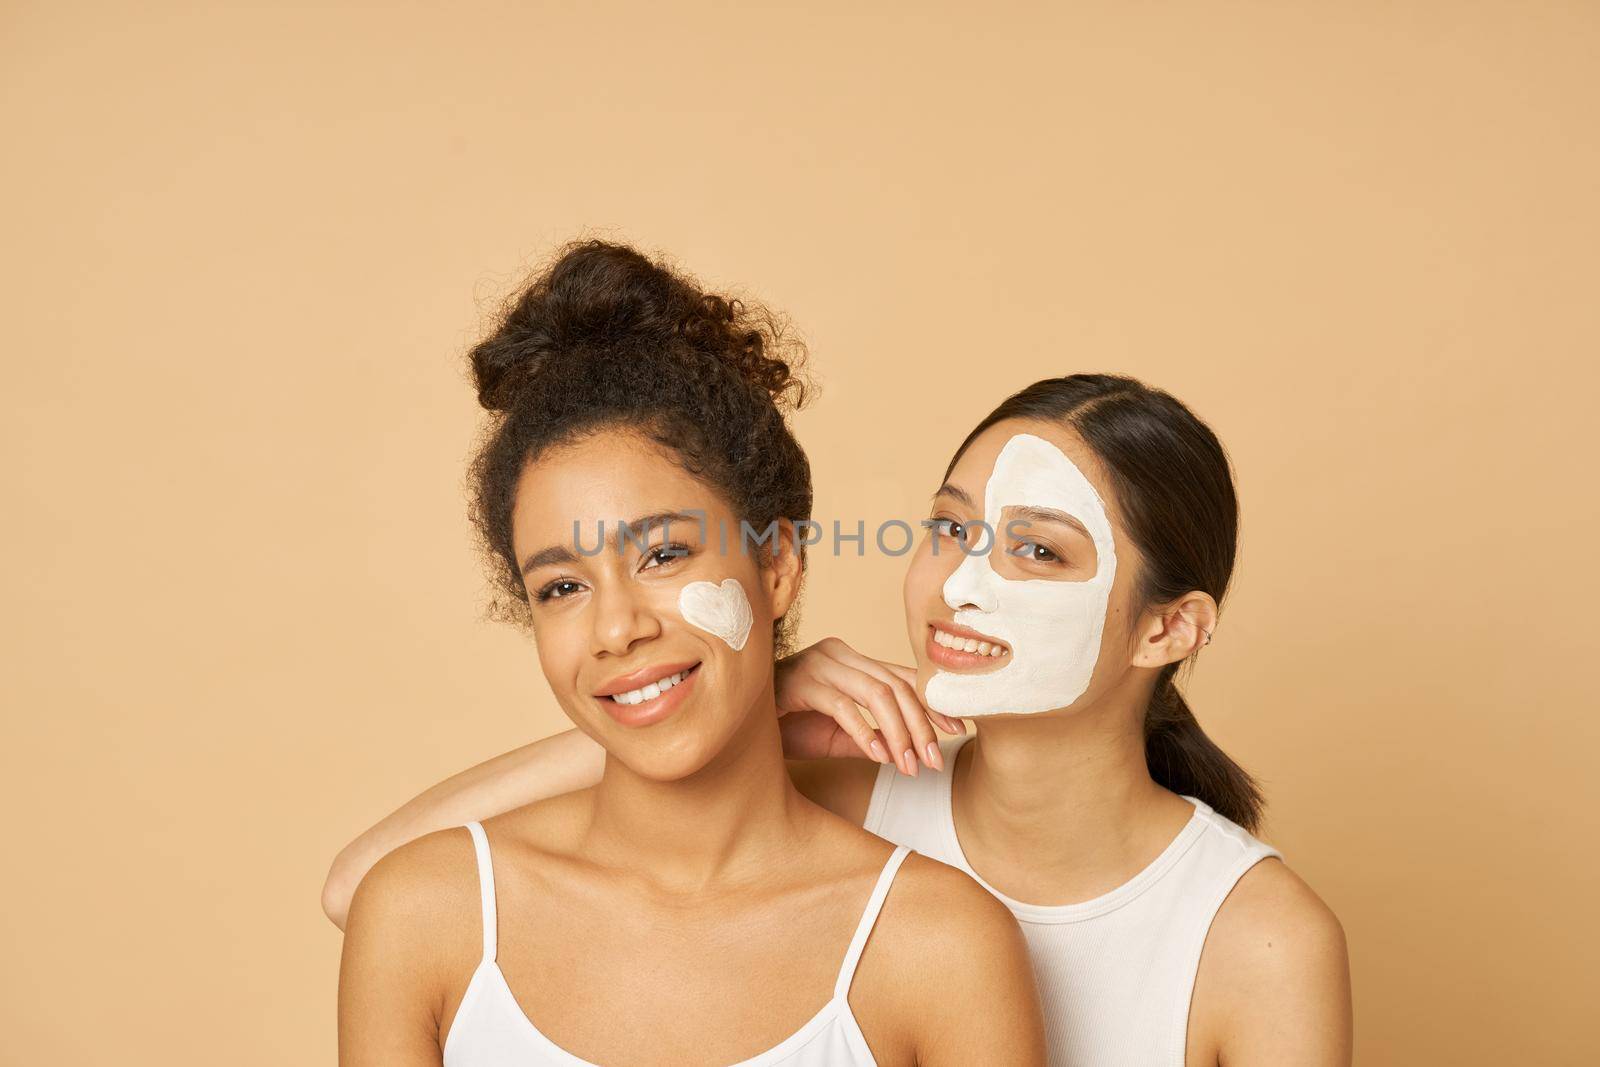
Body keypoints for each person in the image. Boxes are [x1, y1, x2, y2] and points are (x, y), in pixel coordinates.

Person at [329, 357, 1352, 1065]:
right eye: (949, 530)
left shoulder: (1259, 938)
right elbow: (370, 882)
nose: (960, 584)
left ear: (1168, 628)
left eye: (1036, 549)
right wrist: (750, 694)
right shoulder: (859, 789)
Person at [336, 240, 1048, 1066]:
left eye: (665, 555)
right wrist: (769, 690)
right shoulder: (427, 914)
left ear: (776, 564)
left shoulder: (938, 945)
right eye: (561, 587)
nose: (615, 629)